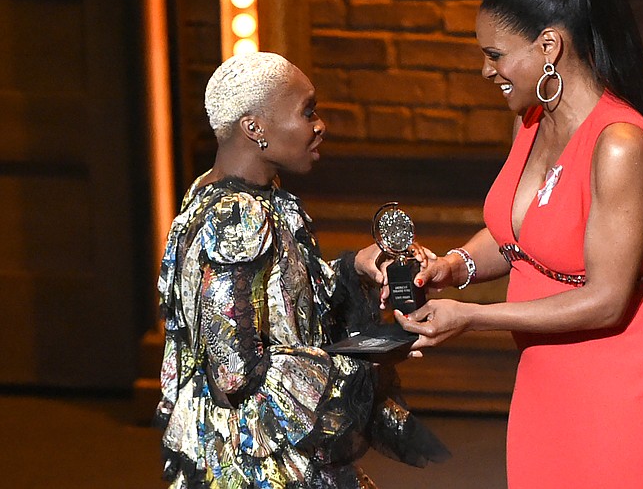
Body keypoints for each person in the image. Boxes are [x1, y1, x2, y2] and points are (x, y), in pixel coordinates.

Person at [395, 0, 643, 489]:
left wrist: (472, 317)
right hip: (549, 377)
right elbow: (520, 237)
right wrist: (454, 265)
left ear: (548, 47)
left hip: (633, 378)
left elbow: (607, 300)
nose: (486, 70)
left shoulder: (619, 145)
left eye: (495, 54)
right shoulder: (533, 119)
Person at [154, 52, 448, 488]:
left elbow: (277, 301)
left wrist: (356, 268)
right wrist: (361, 365)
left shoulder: (252, 196)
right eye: (307, 111)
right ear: (254, 128)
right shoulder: (234, 217)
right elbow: (233, 371)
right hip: (249, 463)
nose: (320, 124)